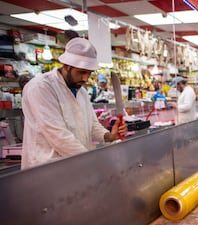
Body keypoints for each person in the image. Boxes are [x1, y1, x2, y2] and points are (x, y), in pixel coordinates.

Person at [21, 38, 127, 169]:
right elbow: (58, 135)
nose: (86, 78)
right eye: (81, 72)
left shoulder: (80, 91)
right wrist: (93, 162)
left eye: (89, 73)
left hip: (77, 165)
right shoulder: (41, 87)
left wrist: (109, 136)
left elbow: (92, 125)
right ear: (66, 65)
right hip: (48, 169)